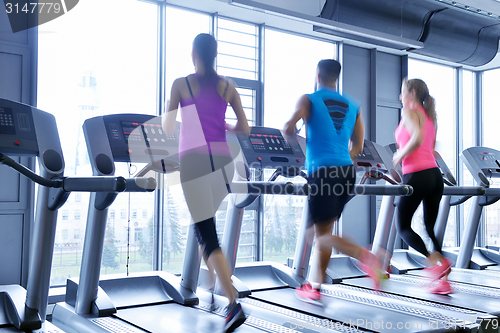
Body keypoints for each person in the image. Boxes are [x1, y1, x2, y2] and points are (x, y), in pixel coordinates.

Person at [163, 33, 250, 332]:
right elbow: (244, 128)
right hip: (223, 164)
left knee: (207, 233)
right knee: (204, 225)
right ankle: (211, 286)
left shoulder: (180, 84)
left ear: (193, 54)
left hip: (195, 163)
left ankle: (232, 301)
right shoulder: (228, 86)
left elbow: (167, 125)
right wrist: (224, 124)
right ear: (215, 55)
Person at [283, 59, 386, 305]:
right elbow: (358, 146)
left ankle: (367, 258)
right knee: (324, 232)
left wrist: (295, 142)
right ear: (336, 77)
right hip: (346, 172)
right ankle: (314, 286)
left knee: (316, 235)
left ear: (318, 74)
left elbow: (288, 127)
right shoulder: (353, 105)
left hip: (322, 172)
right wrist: (341, 160)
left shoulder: (308, 99)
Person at [392, 78, 452, 295]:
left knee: (403, 227)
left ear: (413, 93)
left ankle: (434, 261)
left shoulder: (408, 113)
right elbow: (430, 149)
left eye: (402, 93)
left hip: (417, 175)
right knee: (429, 227)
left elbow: (416, 139)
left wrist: (399, 155)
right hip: (435, 176)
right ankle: (443, 281)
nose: (400, 98)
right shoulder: (429, 117)